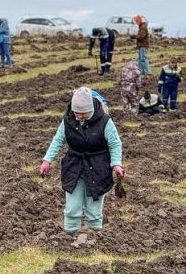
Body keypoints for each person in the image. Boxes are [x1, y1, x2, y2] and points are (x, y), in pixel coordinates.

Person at [40, 87, 124, 234]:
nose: (79, 116)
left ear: (91, 108)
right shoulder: (68, 119)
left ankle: (95, 237)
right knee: (72, 207)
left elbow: (115, 143)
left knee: (93, 209)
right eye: (77, 113)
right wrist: (47, 160)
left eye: (83, 113)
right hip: (74, 165)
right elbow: (59, 139)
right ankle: (69, 236)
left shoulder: (104, 121)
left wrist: (116, 164)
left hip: (98, 166)